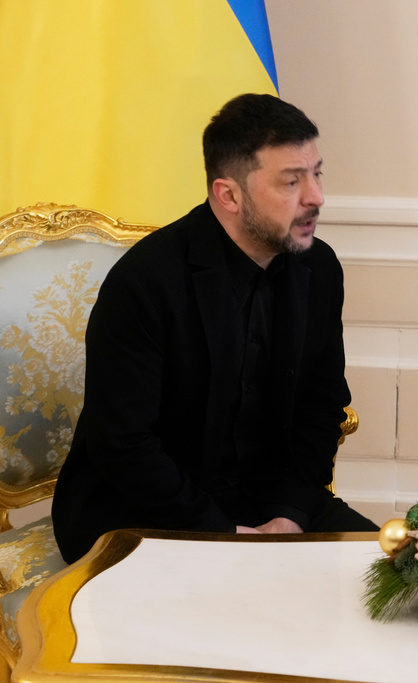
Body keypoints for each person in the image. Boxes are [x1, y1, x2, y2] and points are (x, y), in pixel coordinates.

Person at [53, 94, 378, 563]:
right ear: (229, 195)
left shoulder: (319, 268)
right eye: (291, 181)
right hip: (145, 514)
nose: (316, 197)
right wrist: (223, 533)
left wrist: (289, 515)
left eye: (317, 173)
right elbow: (124, 446)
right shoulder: (145, 281)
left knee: (391, 577)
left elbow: (321, 408)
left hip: (272, 504)